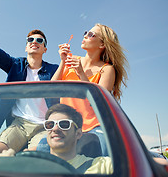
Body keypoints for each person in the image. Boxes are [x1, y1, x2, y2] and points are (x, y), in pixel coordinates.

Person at [0, 0, 59, 156]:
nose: (34, 41)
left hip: (45, 125)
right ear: (26, 46)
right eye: (30, 39)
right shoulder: (15, 65)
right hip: (20, 124)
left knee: (33, 156)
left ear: (45, 49)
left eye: (40, 40)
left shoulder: (54, 69)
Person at [51, 24, 129, 155]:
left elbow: (99, 102)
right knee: (42, 147)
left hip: (93, 126)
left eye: (91, 34)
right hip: (66, 125)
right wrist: (63, 62)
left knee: (103, 151)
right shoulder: (71, 60)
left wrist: (81, 73)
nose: (85, 36)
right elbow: (52, 89)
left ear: (102, 45)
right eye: (86, 32)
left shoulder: (106, 69)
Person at [0, 104, 113, 174]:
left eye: (64, 124)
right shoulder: (30, 169)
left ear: (78, 133)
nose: (55, 128)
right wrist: (4, 168)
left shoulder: (102, 166)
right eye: (50, 124)